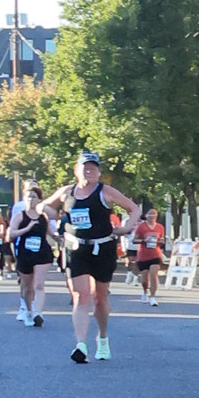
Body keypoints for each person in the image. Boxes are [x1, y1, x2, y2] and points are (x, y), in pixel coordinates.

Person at [59, 153, 140, 364]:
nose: (89, 171)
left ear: (99, 172)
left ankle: (102, 338)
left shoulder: (105, 191)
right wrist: (48, 216)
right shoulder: (68, 192)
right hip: (77, 249)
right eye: (85, 167)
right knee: (81, 295)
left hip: (102, 248)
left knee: (99, 298)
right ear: (76, 170)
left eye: (93, 168)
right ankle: (80, 345)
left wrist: (125, 228)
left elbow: (134, 209)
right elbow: (45, 206)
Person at [8, 181, 54, 326]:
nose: (30, 199)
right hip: (25, 254)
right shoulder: (20, 216)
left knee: (39, 284)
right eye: (28, 197)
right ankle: (28, 311)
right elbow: (11, 234)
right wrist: (27, 228)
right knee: (28, 287)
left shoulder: (43, 216)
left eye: (34, 197)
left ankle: (37, 313)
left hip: (42, 253)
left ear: (39, 200)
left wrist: (59, 238)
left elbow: (50, 232)